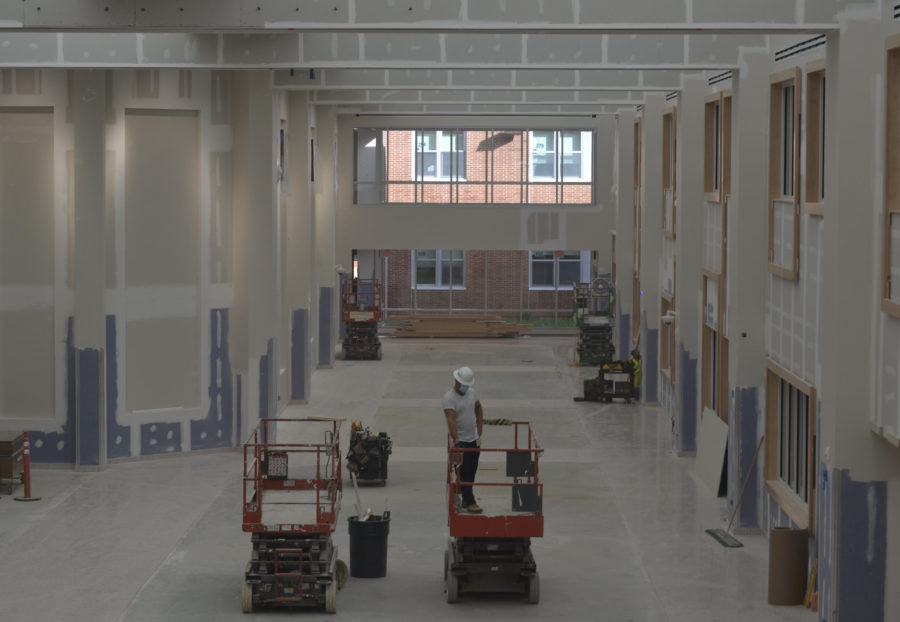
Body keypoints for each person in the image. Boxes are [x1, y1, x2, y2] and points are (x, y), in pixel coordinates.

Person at [443, 366, 484, 514]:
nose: (465, 387)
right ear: (456, 381)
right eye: (463, 384)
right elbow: (451, 419)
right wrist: (457, 439)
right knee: (463, 471)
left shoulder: (472, 393)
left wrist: (479, 425)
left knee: (472, 470)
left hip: (474, 439)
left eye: (467, 385)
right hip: (459, 442)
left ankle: (466, 499)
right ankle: (471, 501)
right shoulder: (449, 398)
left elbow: (478, 407)